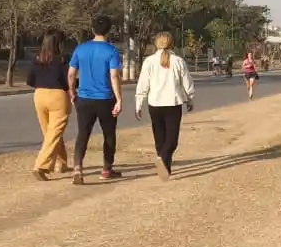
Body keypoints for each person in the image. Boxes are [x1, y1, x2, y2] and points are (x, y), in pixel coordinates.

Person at [67, 14, 123, 184]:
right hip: (106, 98)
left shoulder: (81, 49)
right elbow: (114, 76)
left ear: (92, 29)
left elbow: (70, 74)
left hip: (84, 98)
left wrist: (72, 92)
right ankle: (106, 169)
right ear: (109, 30)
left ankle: (77, 168)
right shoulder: (111, 50)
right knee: (109, 134)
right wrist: (119, 98)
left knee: (83, 134)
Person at [135, 32, 195, 181]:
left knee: (159, 137)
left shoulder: (149, 61)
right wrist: (190, 99)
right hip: (172, 104)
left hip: (154, 104)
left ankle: (165, 167)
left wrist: (138, 104)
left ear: (156, 44)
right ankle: (162, 158)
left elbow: (143, 84)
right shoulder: (178, 61)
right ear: (171, 44)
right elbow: (187, 83)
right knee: (171, 140)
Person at [26, 29, 72, 180]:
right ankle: (41, 166)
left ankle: (61, 163)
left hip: (39, 95)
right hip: (58, 96)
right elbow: (68, 81)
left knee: (50, 133)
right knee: (54, 133)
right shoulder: (63, 59)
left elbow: (29, 81)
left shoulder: (37, 59)